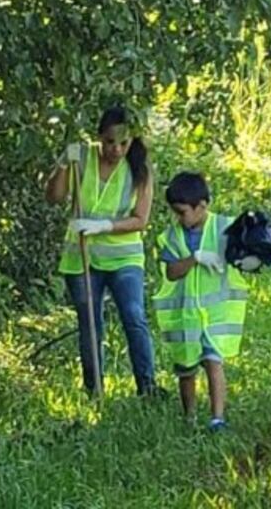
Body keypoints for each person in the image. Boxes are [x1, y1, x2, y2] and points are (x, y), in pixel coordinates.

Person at [45, 107, 160, 397]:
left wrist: (103, 226)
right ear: (99, 138)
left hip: (124, 257)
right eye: (110, 142)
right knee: (90, 324)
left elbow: (140, 220)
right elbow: (54, 197)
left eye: (124, 143)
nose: (117, 149)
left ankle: (148, 387)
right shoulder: (81, 158)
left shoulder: (140, 169)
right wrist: (63, 163)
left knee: (134, 316)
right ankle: (94, 391)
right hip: (82, 257)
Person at [154, 172, 250, 431]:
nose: (179, 218)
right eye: (175, 212)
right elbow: (172, 272)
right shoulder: (172, 236)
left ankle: (217, 418)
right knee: (186, 370)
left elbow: (247, 254)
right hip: (185, 316)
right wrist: (195, 257)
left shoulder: (225, 228)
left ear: (202, 206)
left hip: (216, 315)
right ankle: (189, 418)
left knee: (213, 362)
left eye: (183, 212)